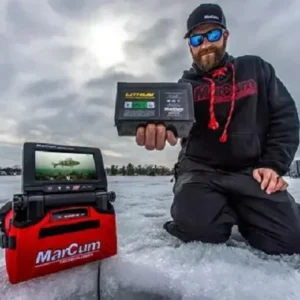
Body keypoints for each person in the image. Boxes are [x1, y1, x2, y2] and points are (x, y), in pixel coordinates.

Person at [135, 3, 300, 255]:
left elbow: (285, 117)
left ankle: (248, 212)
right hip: (201, 172)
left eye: (212, 35)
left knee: (290, 240)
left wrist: (273, 164)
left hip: (251, 172)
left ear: (225, 36)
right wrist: (156, 126)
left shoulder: (256, 69)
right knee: (200, 232)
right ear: (189, 44)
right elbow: (170, 122)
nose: (205, 45)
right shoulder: (184, 87)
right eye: (197, 38)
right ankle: (207, 212)